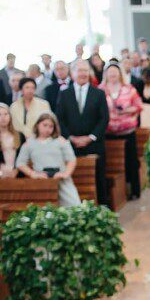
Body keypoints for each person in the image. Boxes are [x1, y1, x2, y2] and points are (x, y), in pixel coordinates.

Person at [55, 60, 110, 206]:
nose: (83, 74)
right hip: (71, 146)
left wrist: (90, 137)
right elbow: (59, 119)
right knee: (76, 179)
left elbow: (104, 118)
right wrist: (70, 137)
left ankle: (102, 210)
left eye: (86, 70)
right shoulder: (64, 94)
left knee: (99, 179)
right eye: (80, 70)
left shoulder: (98, 93)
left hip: (94, 145)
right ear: (72, 73)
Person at [15, 112, 81, 207]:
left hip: (60, 179)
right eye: (45, 125)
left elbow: (72, 160)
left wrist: (65, 173)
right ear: (38, 124)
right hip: (41, 181)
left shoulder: (60, 140)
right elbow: (20, 163)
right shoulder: (29, 143)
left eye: (51, 126)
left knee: (75, 205)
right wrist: (33, 174)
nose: (47, 129)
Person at [99, 62, 143, 199]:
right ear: (106, 74)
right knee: (112, 164)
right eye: (110, 72)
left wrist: (125, 110)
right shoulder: (100, 89)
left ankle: (134, 191)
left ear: (119, 74)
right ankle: (116, 194)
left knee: (131, 162)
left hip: (127, 132)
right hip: (108, 133)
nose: (112, 74)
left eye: (115, 72)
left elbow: (139, 106)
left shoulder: (128, 88)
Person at [0, 103, 25, 178]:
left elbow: (23, 158)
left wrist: (15, 171)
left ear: (10, 116)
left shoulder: (20, 136)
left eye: (6, 114)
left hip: (17, 175)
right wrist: (0, 173)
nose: (3, 117)